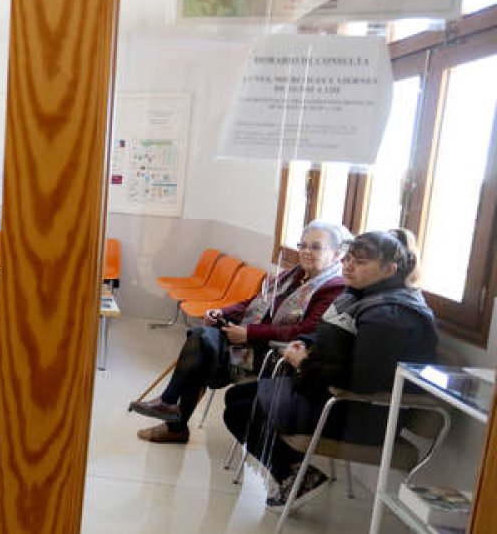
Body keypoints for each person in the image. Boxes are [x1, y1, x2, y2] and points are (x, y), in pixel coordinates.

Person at [222, 228, 438, 513]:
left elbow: (360, 382)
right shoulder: (358, 294)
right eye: (348, 258)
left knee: (240, 410)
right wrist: (305, 343)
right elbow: (333, 333)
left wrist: (304, 363)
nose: (348, 265)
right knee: (237, 398)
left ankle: (295, 476)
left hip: (361, 414)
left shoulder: (392, 317)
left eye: (360, 262)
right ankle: (296, 474)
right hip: (327, 394)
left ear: (390, 269)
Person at [130, 220, 351, 443]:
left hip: (274, 356)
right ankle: (171, 414)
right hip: (249, 341)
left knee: (201, 349)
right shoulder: (292, 275)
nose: (305, 252)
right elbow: (252, 302)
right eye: (302, 245)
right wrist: (221, 311)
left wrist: (249, 333)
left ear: (337, 254)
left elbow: (305, 331)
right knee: (202, 341)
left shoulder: (334, 286)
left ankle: (172, 418)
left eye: (315, 247)